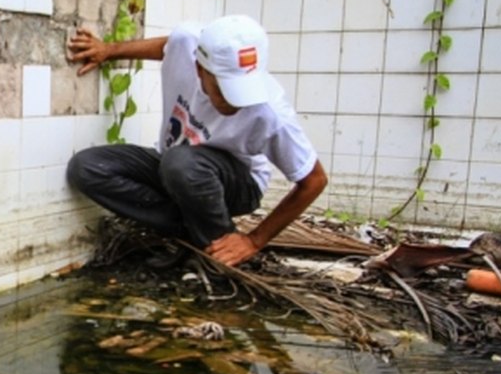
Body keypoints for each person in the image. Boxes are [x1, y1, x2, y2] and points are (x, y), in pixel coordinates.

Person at [65, 15, 327, 267]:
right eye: (226, 91)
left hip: (237, 182)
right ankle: (189, 230)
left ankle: (218, 251)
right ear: (200, 69)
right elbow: (168, 48)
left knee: (181, 163)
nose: (236, 102)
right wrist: (109, 50)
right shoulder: (187, 42)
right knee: (87, 168)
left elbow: (314, 180)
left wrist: (253, 241)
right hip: (177, 165)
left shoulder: (271, 114)